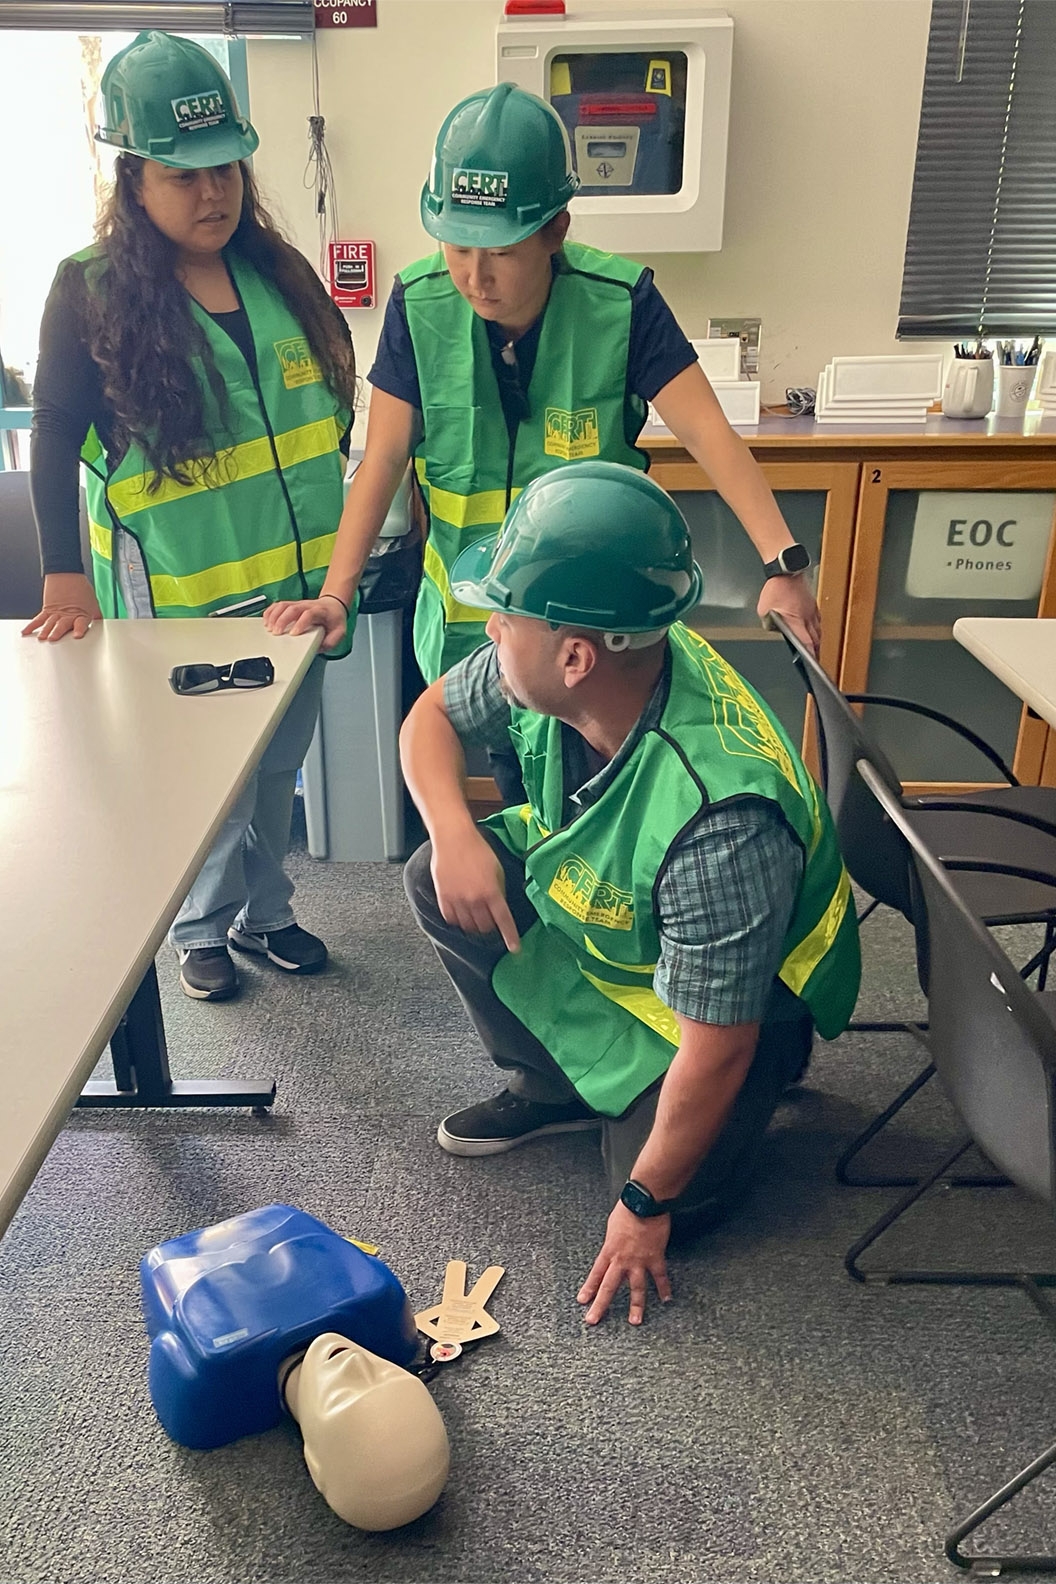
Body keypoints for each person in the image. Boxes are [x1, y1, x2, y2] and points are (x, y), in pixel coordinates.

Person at [398, 463, 860, 1326]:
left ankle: (769, 1081)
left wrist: (646, 1207)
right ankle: (552, 1090)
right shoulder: (596, 650)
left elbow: (715, 1045)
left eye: (506, 618)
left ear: (574, 655)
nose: (491, 629)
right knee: (437, 872)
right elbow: (429, 718)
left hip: (738, 1015)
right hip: (634, 934)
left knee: (666, 1197)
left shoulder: (723, 820)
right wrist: (455, 831)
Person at [264, 82, 821, 724]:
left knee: (596, 807)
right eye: (458, 247)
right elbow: (383, 458)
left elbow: (708, 433)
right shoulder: (418, 304)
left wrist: (783, 563)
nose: (475, 276)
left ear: (555, 230)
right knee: (509, 797)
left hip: (593, 644)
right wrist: (337, 596)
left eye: (500, 252)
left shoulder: (622, 304)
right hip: (471, 635)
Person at [22, 31, 357, 1003]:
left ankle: (270, 913)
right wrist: (63, 570)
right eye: (183, 175)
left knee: (278, 770)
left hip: (297, 588)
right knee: (207, 782)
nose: (213, 194)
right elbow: (53, 432)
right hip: (182, 588)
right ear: (133, 179)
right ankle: (200, 928)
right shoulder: (88, 290)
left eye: (226, 170)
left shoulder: (275, 273)